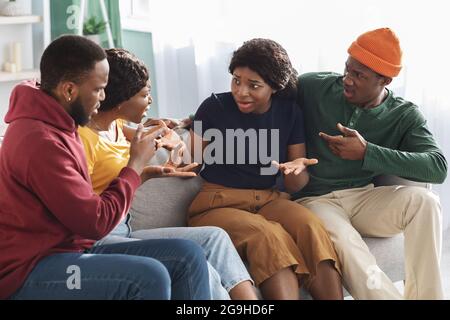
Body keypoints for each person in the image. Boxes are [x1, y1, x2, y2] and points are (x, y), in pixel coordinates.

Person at [0, 35, 210, 300]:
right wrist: (134, 167)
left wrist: (141, 174)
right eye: (99, 89)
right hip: (31, 269)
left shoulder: (59, 118)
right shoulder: (41, 141)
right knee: (149, 277)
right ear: (69, 90)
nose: (103, 97)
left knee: (188, 256)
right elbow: (95, 222)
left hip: (69, 250)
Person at [78, 48, 257, 300]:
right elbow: (84, 213)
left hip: (124, 230)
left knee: (214, 237)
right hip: (97, 240)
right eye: (144, 94)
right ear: (121, 100)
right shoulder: (83, 140)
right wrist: (142, 168)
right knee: (193, 263)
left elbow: (157, 133)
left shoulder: (114, 125)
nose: (150, 100)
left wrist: (174, 139)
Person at [293, 28, 447, 300]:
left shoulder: (404, 114)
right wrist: (198, 120)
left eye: (359, 76)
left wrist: (368, 153)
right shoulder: (313, 86)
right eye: (347, 70)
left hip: (364, 197)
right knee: (347, 243)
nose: (347, 80)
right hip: (315, 200)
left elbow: (437, 167)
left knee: (426, 202)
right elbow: (262, 92)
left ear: (384, 80)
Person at [187, 38, 343, 300]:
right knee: (266, 235)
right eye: (236, 80)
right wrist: (174, 141)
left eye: (253, 85)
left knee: (309, 225)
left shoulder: (289, 113)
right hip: (217, 203)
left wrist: (294, 172)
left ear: (274, 87)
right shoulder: (214, 107)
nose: (241, 91)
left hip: (269, 199)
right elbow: (190, 160)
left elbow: (296, 183)